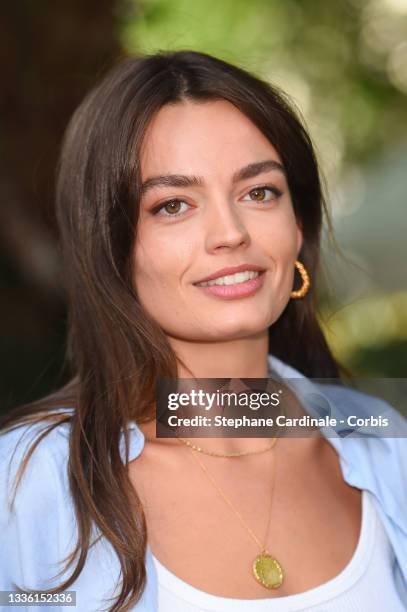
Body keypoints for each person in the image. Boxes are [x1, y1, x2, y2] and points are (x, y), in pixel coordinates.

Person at [0, 49, 406, 612]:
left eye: (259, 192)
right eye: (172, 205)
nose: (230, 233)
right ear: (110, 247)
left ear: (298, 227)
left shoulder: (383, 445)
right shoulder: (28, 484)